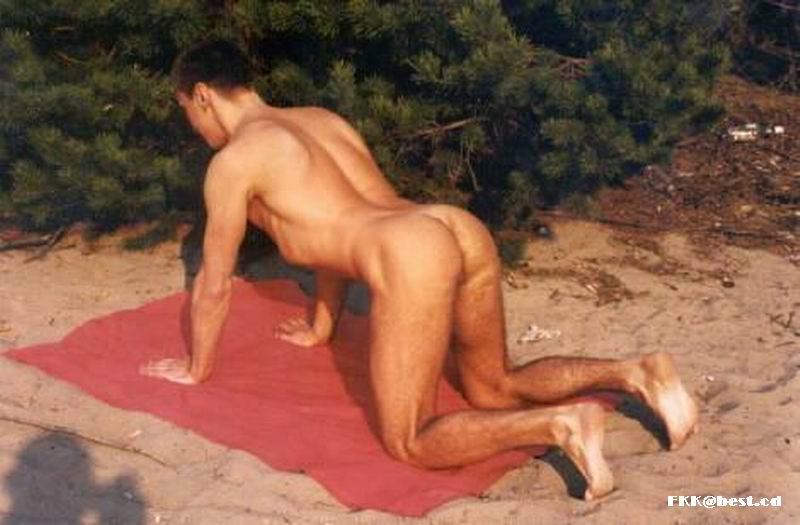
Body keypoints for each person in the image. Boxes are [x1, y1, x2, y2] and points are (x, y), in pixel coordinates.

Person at [141, 40, 698, 500]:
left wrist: (197, 367)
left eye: (186, 109)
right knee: (495, 385)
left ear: (203, 94)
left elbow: (214, 282)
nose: (191, 124)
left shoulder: (235, 161)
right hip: (449, 224)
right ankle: (636, 372)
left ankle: (560, 424)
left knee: (411, 440)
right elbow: (339, 229)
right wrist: (322, 326)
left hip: (409, 249)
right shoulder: (320, 121)